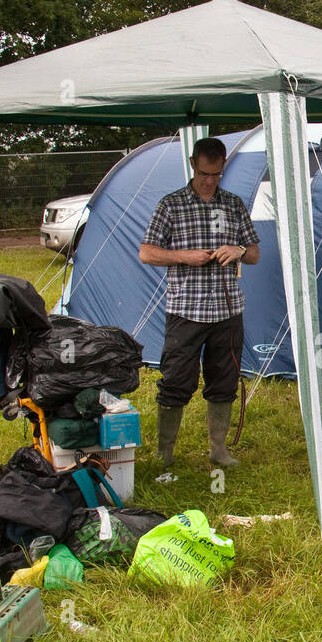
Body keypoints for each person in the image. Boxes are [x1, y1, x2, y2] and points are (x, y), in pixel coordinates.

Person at [140, 137, 260, 468]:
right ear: (193, 164)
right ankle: (165, 453)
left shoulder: (233, 205)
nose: (210, 181)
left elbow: (254, 254)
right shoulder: (172, 204)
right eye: (205, 173)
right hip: (185, 310)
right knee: (176, 381)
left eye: (217, 174)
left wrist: (238, 250)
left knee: (224, 381)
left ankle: (218, 450)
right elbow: (146, 252)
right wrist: (184, 257)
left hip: (227, 311)